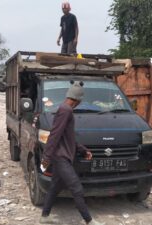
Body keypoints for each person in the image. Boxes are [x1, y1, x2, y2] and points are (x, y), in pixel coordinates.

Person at [40, 81, 104, 225]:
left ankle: (44, 216)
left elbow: (67, 137)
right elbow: (54, 135)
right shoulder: (66, 110)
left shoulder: (64, 109)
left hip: (62, 156)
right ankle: (88, 220)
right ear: (78, 100)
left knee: (55, 186)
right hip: (60, 157)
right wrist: (46, 157)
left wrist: (83, 150)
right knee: (76, 187)